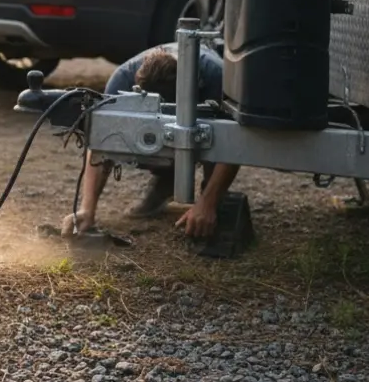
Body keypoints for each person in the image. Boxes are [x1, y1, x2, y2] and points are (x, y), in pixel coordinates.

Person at [61, 41, 240, 240]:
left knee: (214, 135)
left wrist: (208, 203)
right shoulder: (121, 82)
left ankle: (211, 197)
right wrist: (87, 209)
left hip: (206, 108)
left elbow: (234, 144)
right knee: (139, 134)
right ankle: (167, 178)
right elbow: (99, 145)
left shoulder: (218, 79)